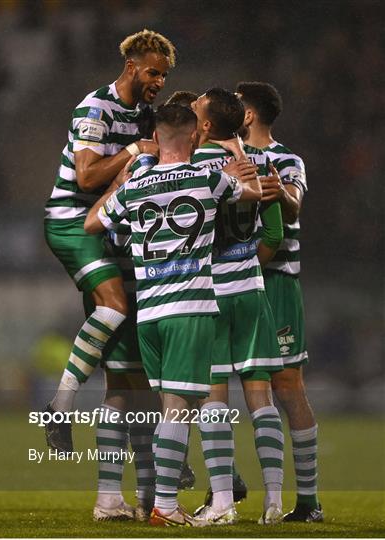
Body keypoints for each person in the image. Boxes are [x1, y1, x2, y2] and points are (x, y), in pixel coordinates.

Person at [85, 103, 261, 527]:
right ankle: (166, 504)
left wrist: (122, 182)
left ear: (157, 138)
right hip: (190, 308)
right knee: (181, 408)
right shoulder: (206, 177)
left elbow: (93, 223)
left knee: (172, 405)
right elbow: (253, 194)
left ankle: (169, 501)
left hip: (149, 314)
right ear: (195, 138)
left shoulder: (135, 186)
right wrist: (238, 166)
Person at [43, 29, 176, 453]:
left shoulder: (144, 113)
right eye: (154, 72)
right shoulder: (95, 108)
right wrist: (133, 151)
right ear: (131, 66)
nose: (159, 82)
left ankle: (120, 491)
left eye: (165, 76)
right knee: (115, 305)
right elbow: (86, 177)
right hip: (72, 220)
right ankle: (60, 406)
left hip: (112, 227)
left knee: (123, 362)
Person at [191, 88, 285, 524]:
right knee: (261, 397)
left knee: (215, 397)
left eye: (196, 110)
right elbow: (273, 233)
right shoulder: (262, 163)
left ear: (207, 122)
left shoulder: (192, 167)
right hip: (251, 289)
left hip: (209, 292)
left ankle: (223, 502)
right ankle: (274, 501)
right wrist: (246, 264)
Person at [236, 81, 323, 522]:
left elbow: (294, 207)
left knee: (288, 386)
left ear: (248, 115)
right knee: (209, 385)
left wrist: (279, 191)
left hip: (276, 283)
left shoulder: (286, 160)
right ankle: (226, 485)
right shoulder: (223, 156)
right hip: (231, 282)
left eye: (237, 105)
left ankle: (307, 501)